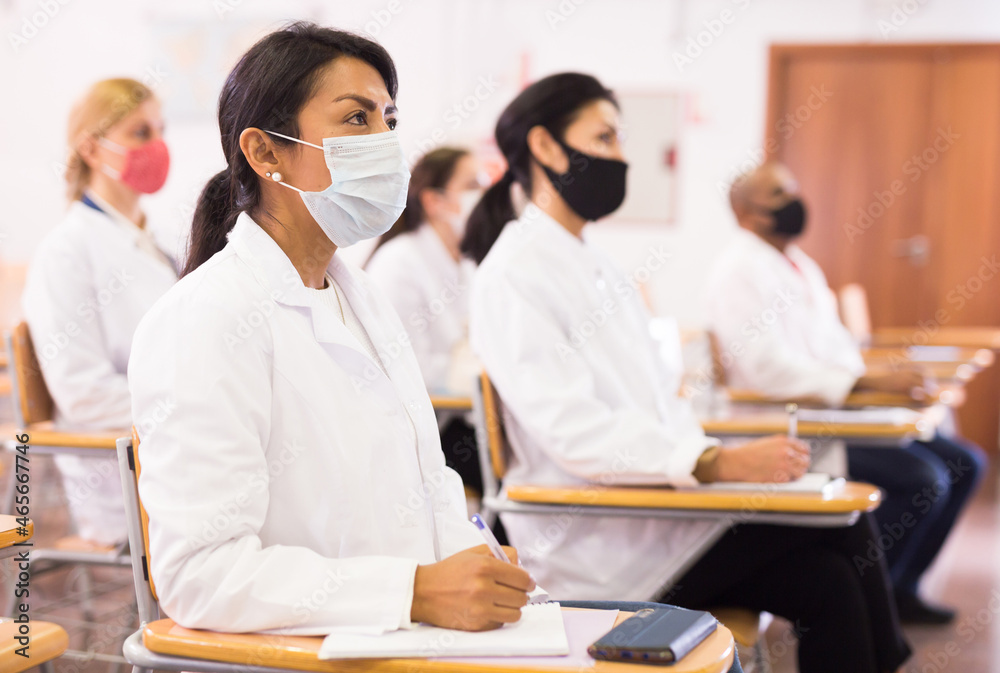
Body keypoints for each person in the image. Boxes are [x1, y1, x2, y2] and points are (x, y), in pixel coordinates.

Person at [465, 72, 910, 673]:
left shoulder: (594, 264)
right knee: (839, 543)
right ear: (544, 147)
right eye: (605, 137)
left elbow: (657, 405)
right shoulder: (513, 275)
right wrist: (714, 462)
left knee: (834, 566)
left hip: (654, 513)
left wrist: (714, 454)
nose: (621, 156)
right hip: (597, 541)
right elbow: (574, 432)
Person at [127, 22, 535, 634]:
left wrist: (476, 564)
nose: (385, 142)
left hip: (409, 638)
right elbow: (200, 575)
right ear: (265, 153)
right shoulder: (205, 321)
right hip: (311, 650)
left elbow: (432, 480)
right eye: (355, 120)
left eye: (388, 122)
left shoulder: (360, 298)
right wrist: (414, 593)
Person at [705, 161, 986, 624]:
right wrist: (865, 383)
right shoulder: (737, 270)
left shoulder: (799, 264)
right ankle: (862, 602)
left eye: (792, 189)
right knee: (922, 481)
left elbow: (838, 349)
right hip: (791, 425)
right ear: (745, 212)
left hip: (840, 410)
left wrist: (887, 385)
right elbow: (766, 370)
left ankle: (899, 588)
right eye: (778, 194)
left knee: (964, 463)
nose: (793, 200)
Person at [22, 77, 178, 546]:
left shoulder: (151, 243)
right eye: (140, 132)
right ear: (91, 149)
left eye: (160, 130)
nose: (158, 145)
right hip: (121, 464)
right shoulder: (66, 251)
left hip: (168, 443)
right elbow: (82, 393)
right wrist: (185, 408)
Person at [366, 147, 486, 496]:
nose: (484, 193)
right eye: (472, 184)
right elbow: (402, 369)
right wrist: (470, 374)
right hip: (427, 427)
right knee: (511, 464)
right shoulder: (400, 263)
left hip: (460, 416)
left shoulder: (466, 263)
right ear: (434, 202)